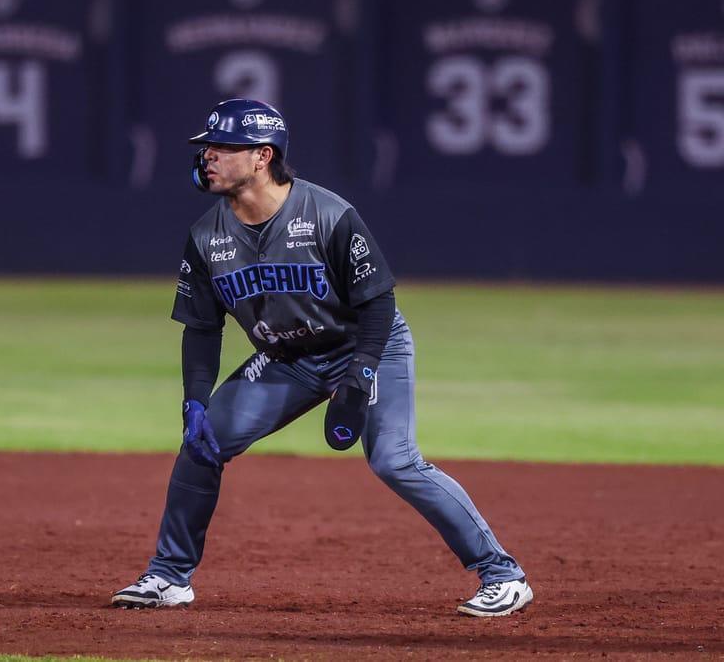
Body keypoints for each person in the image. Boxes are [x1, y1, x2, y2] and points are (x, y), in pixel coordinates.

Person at [112, 98, 533, 617]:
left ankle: (503, 574)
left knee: (395, 460)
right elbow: (201, 330)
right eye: (208, 147)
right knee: (202, 444)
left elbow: (378, 303)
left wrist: (360, 375)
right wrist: (195, 401)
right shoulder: (205, 237)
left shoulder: (328, 214)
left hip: (365, 345)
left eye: (223, 146)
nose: (209, 156)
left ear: (263, 156)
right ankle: (169, 577)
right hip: (287, 359)